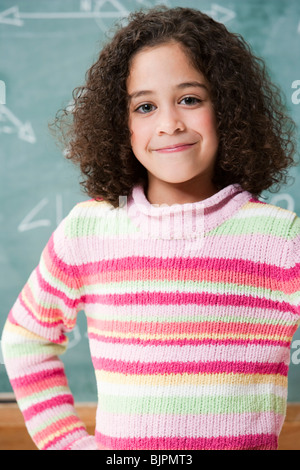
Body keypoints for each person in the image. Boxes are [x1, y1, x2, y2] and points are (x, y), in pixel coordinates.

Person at [1, 6, 299, 451]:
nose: (169, 123)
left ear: (229, 107)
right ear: (120, 125)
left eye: (190, 99)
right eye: (145, 106)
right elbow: (27, 337)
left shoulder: (279, 240)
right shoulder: (89, 230)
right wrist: (66, 443)